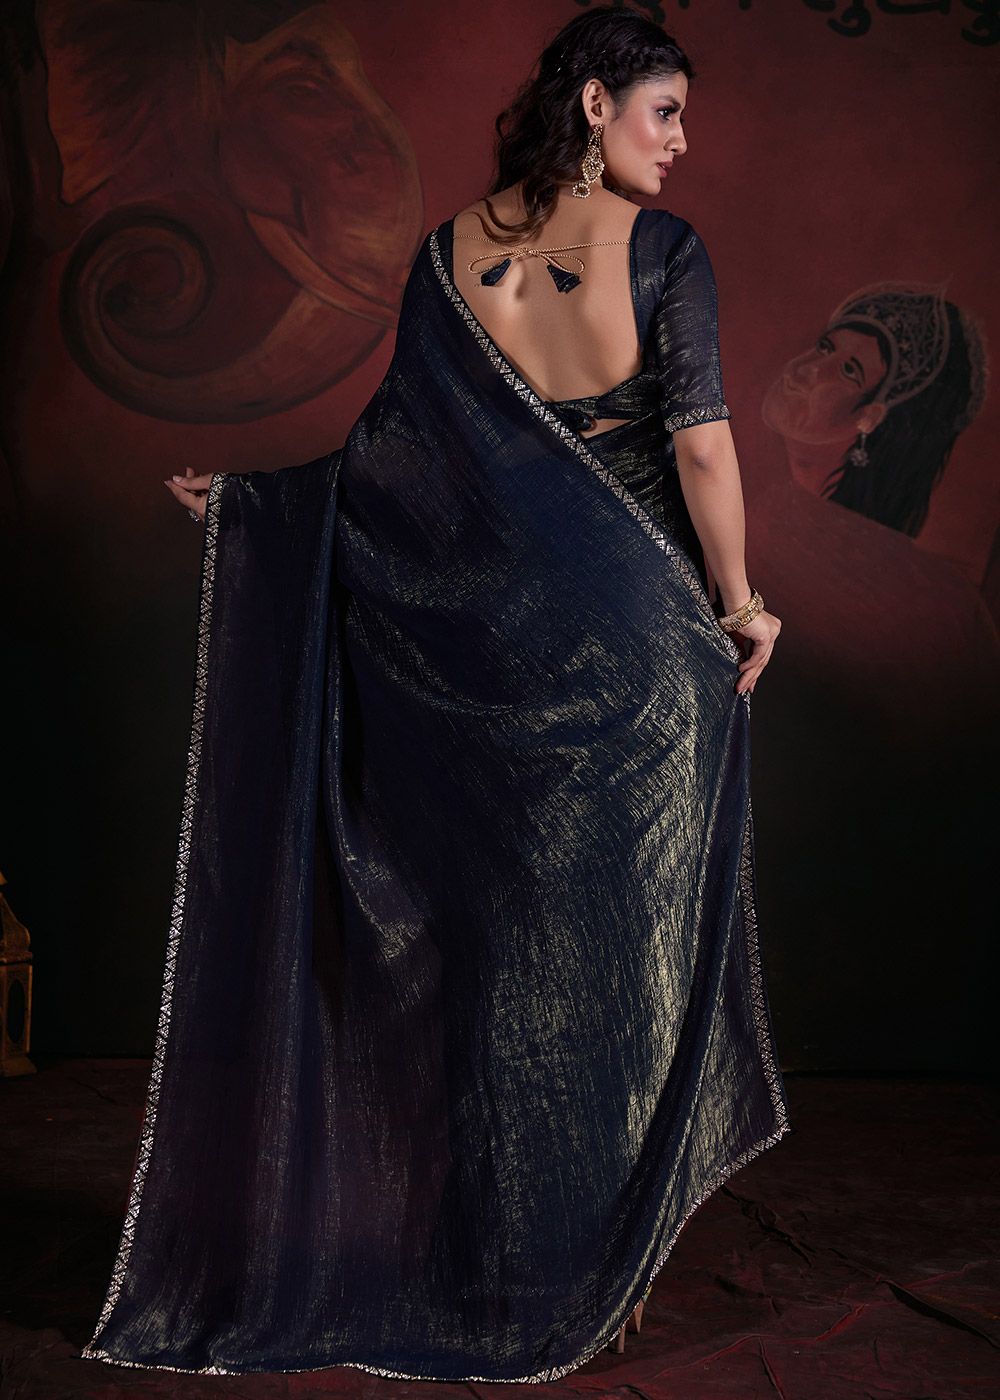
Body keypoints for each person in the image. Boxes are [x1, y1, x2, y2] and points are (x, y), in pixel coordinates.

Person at [79, 6, 790, 1384]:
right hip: (632, 648)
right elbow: (701, 449)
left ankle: (498, 1258)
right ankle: (595, 1266)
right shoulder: (663, 252)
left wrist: (260, 506)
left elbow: (396, 461)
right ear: (596, 104)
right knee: (618, 963)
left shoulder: (448, 255)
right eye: (664, 112)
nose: (681, 143)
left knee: (492, 953)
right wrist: (743, 601)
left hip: (481, 659)